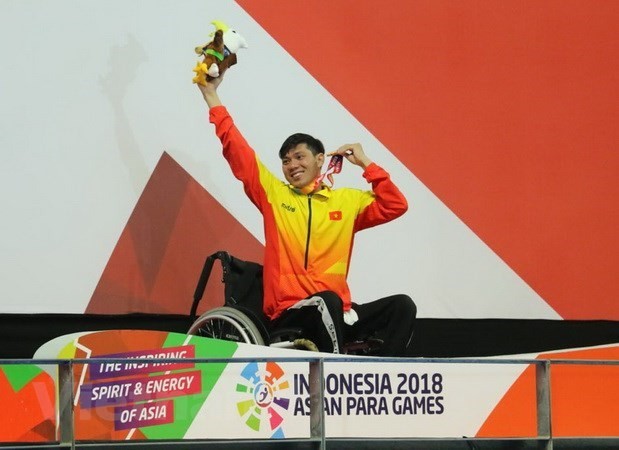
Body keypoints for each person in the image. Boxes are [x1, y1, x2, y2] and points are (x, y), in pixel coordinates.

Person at [197, 72, 416, 356]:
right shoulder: (275, 196)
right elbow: (239, 152)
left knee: (402, 305)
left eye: (299, 156)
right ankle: (337, 372)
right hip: (293, 312)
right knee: (327, 300)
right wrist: (211, 96)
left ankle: (384, 375)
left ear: (320, 159)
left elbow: (394, 205)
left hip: (338, 312)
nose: (291, 165)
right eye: (286, 161)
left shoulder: (347, 202)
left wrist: (365, 162)